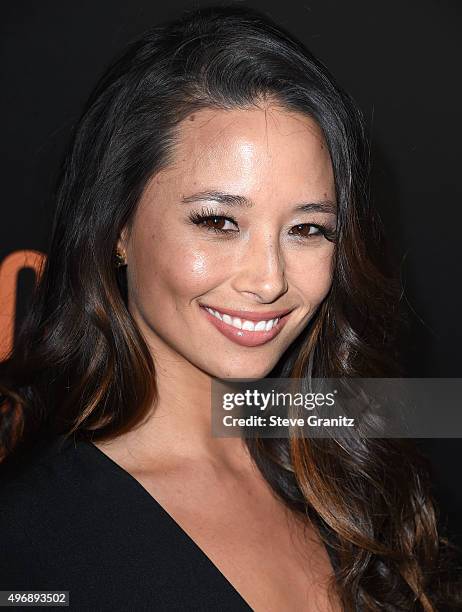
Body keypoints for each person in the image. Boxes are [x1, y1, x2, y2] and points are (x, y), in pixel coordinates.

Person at [0, 5, 461, 611]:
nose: (269, 280)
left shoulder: (345, 450)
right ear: (117, 227)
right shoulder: (30, 542)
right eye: (218, 222)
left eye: (308, 229)